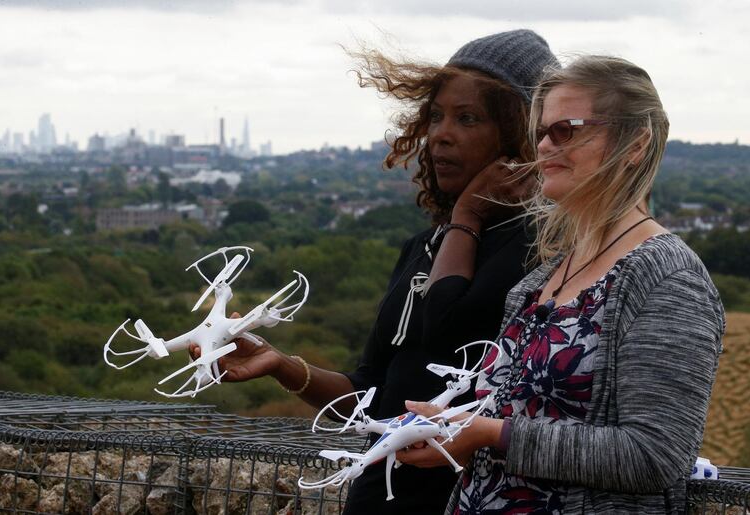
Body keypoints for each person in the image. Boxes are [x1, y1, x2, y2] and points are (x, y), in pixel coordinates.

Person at [191, 30, 557, 514]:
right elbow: (371, 399)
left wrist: (467, 215)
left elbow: (447, 324)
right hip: (380, 500)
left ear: (520, 135)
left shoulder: (547, 251)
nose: (441, 134)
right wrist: (279, 363)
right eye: (436, 116)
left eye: (468, 119)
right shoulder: (422, 248)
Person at [397, 55, 725, 514]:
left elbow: (656, 455)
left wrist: (492, 434)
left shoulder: (668, 278)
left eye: (565, 129)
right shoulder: (541, 278)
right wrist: (456, 425)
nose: (546, 146)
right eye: (541, 133)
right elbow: (521, 414)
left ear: (635, 143)